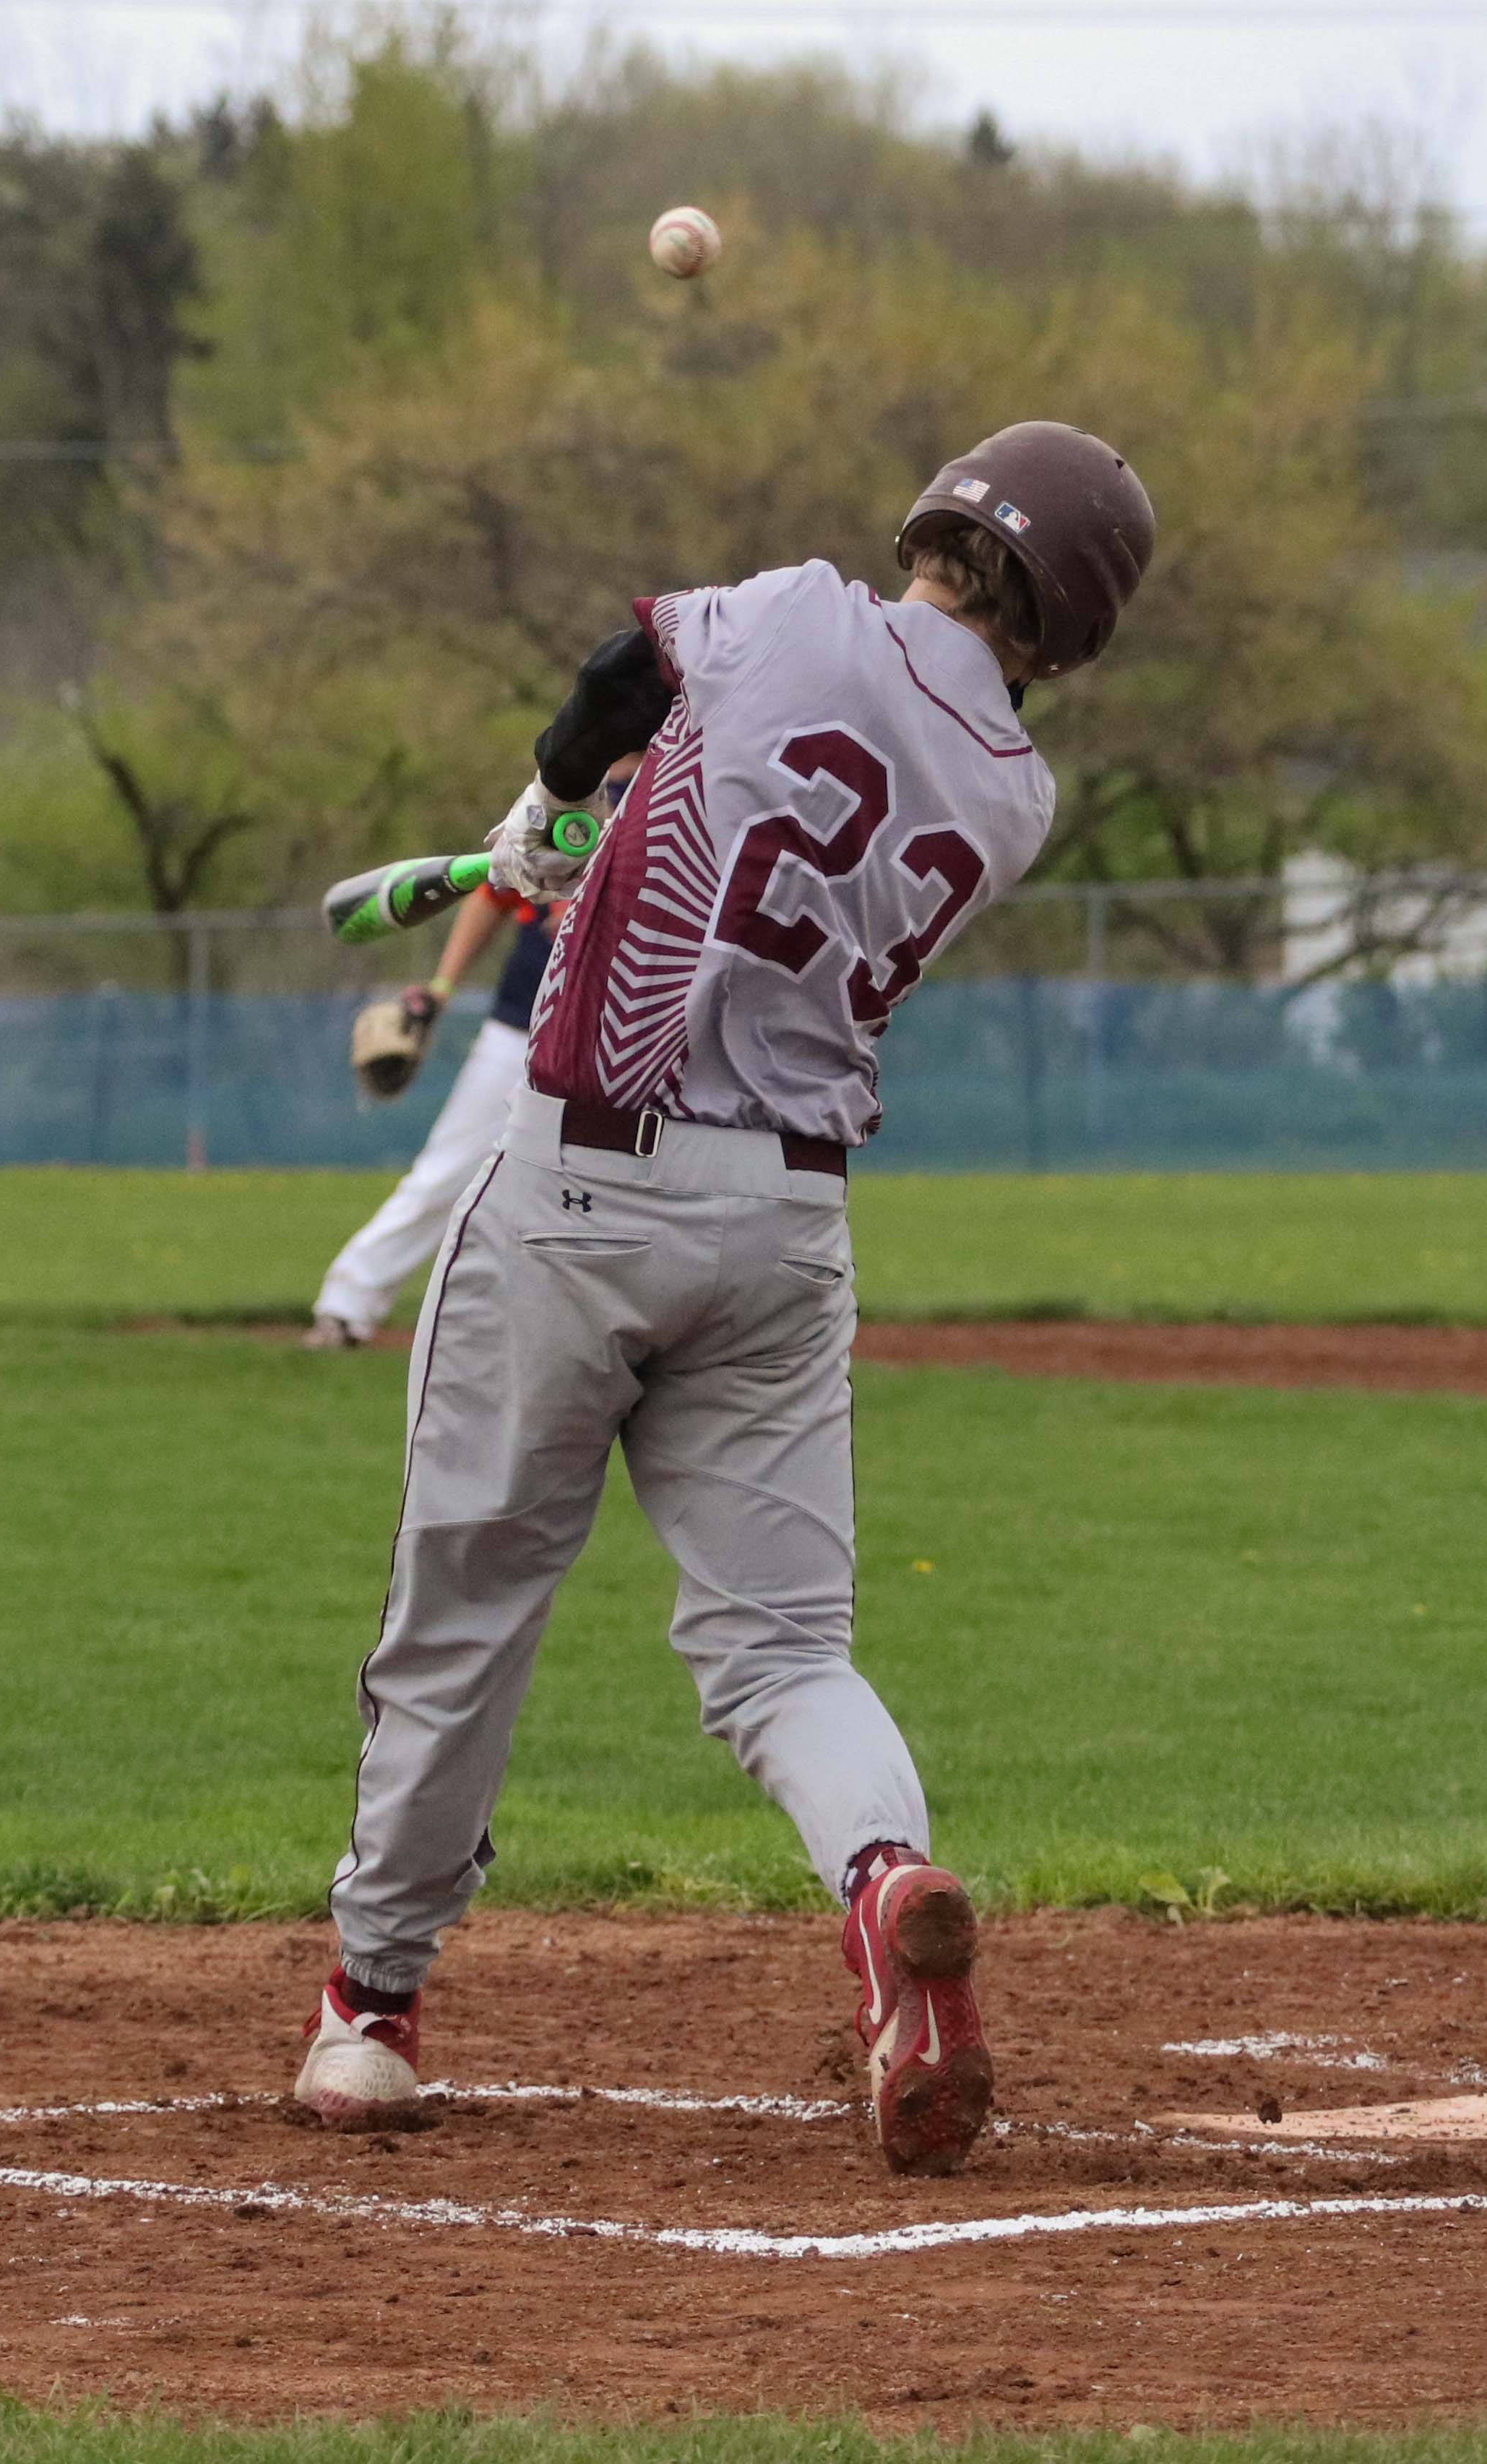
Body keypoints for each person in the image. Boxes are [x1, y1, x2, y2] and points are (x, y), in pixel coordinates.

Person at [292, 422, 1156, 2176]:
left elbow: (623, 677)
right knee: (783, 1651)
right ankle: (884, 1881)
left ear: (937, 521)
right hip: (785, 1223)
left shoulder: (794, 611)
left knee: (468, 1603)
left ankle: (369, 2011)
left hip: (581, 1178)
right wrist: (593, 831)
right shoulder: (1012, 790)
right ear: (1065, 628)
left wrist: (544, 814)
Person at [304, 757, 646, 1351]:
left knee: (629, 1188)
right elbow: (492, 888)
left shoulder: (680, 784)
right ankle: (347, 1305)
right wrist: (440, 990)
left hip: (629, 1032)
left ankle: (616, 1331)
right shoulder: (569, 788)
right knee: (450, 1167)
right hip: (525, 1019)